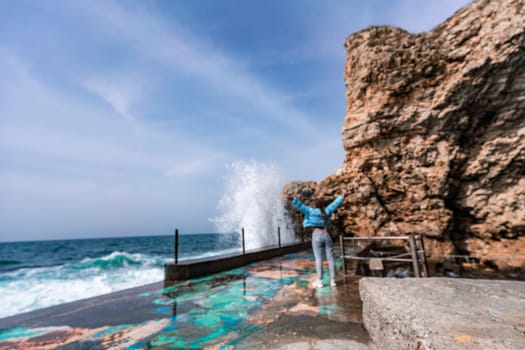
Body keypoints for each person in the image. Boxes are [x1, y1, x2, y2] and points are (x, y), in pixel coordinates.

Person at [291, 194, 344, 288]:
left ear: (314, 205)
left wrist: (292, 199)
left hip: (316, 235)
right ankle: (333, 280)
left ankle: (319, 280)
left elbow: (300, 206)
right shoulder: (326, 211)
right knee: (330, 258)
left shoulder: (310, 211)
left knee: (318, 258)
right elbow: (335, 203)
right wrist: (343, 196)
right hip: (326, 234)